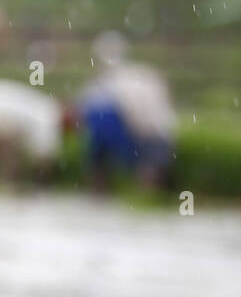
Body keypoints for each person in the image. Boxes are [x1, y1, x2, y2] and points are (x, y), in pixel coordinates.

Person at [75, 30, 176, 191]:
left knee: (100, 120)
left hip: (149, 136)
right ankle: (109, 185)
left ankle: (140, 186)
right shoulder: (106, 83)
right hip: (144, 136)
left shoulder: (131, 79)